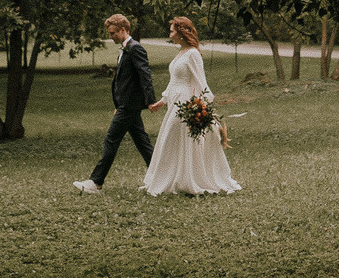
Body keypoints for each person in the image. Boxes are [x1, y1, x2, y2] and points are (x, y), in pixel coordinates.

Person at [141, 16, 241, 196]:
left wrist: (203, 107)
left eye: (172, 31)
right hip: (174, 101)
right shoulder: (180, 53)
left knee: (179, 136)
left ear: (181, 32)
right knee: (170, 138)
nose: (169, 34)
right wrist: (162, 101)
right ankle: (172, 178)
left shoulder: (193, 54)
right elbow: (173, 81)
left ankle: (189, 178)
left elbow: (201, 82)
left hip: (186, 101)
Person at [74, 15, 155, 193]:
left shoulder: (135, 48)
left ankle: (96, 182)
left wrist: (150, 100)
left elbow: (145, 75)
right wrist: (118, 104)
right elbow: (124, 81)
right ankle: (160, 178)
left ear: (123, 30)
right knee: (143, 143)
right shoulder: (125, 49)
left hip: (129, 106)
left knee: (111, 140)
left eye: (112, 33)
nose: (110, 36)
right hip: (125, 105)